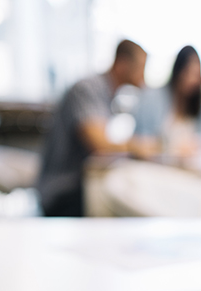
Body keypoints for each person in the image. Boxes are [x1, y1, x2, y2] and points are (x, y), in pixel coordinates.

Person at [37, 39, 147, 217]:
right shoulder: (88, 89)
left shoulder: (106, 93)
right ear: (122, 64)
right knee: (125, 202)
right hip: (62, 192)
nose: (143, 77)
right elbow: (100, 145)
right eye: (141, 67)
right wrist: (139, 147)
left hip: (79, 188)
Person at [133, 45, 201, 158]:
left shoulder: (199, 107)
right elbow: (141, 142)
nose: (192, 80)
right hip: (157, 166)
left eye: (196, 75)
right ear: (178, 71)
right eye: (188, 73)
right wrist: (170, 147)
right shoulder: (153, 98)